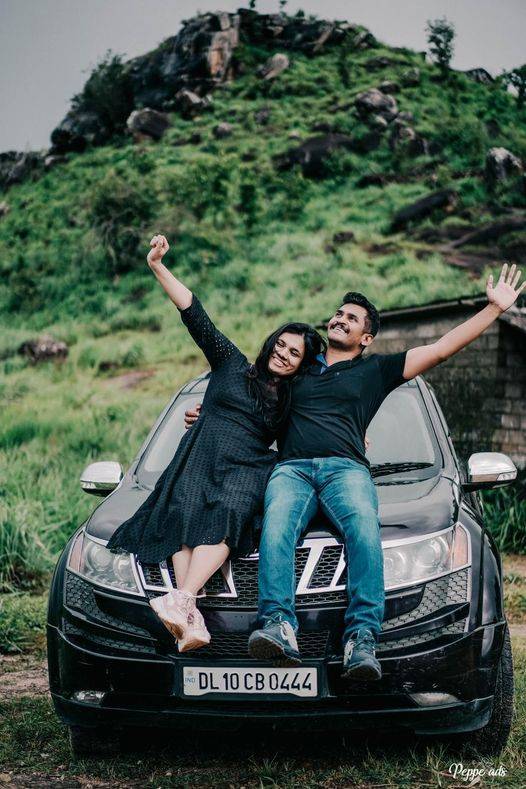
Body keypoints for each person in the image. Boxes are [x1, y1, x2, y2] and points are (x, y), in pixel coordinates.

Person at [186, 262, 525, 679]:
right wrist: (210, 413)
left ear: (366, 338)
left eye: (352, 318)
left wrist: (494, 310)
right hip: (291, 469)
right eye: (339, 313)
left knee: (364, 529)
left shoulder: (376, 371)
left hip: (345, 469)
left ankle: (361, 637)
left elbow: (440, 349)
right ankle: (278, 624)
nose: (341, 319)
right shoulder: (299, 367)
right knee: (276, 528)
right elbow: (250, 390)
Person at [106, 234, 325, 653]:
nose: (282, 353)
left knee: (226, 517)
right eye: (280, 344)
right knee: (184, 520)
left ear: (301, 364)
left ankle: (183, 600)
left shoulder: (295, 399)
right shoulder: (231, 364)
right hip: (201, 453)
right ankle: (187, 612)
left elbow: (321, 423)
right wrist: (157, 266)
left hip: (247, 466)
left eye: (294, 352)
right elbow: (194, 313)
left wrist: (353, 430)